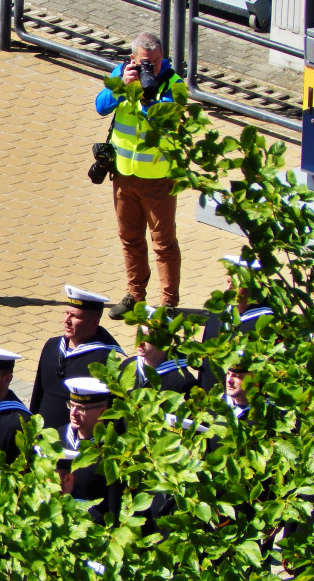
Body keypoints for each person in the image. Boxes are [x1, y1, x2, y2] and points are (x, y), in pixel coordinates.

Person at [95, 32, 185, 318]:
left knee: (163, 243)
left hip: (158, 178)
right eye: (146, 63)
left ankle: (168, 303)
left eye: (156, 62)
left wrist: (147, 99)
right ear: (132, 59)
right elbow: (101, 106)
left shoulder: (174, 83)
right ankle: (135, 295)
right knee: (130, 238)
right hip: (123, 174)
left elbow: (169, 121)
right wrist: (122, 86)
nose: (152, 68)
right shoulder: (122, 73)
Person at [30, 286, 123, 432]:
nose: (67, 320)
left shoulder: (103, 359)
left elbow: (108, 411)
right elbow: (38, 393)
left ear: (94, 322)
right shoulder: (52, 345)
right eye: (66, 313)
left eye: (75, 316)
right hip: (42, 439)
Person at [197, 255, 273, 391]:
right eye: (228, 281)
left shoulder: (266, 323)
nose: (229, 287)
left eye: (236, 284)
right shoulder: (219, 311)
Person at [60, 377, 121, 520]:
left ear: (103, 412)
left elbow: (113, 509)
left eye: (81, 408)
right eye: (71, 405)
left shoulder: (111, 452)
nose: (73, 413)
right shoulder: (57, 436)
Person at [120, 318, 196, 394]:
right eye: (139, 335)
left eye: (147, 338)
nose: (140, 342)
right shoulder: (128, 365)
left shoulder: (183, 381)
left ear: (164, 342)